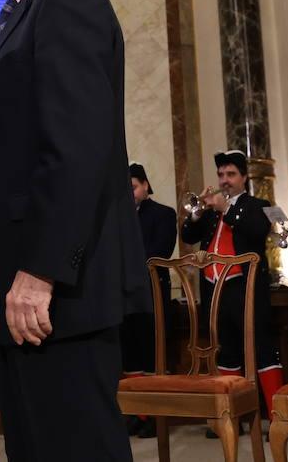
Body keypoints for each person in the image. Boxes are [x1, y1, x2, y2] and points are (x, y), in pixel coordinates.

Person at [0, 0, 150, 462]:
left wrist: (39, 273)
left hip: (53, 295)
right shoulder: (21, 13)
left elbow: (76, 149)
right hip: (24, 293)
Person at [179, 150, 284, 424]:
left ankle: (277, 416)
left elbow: (258, 231)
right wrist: (196, 213)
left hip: (245, 290)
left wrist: (227, 210)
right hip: (215, 291)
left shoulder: (257, 204)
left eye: (231, 174)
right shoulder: (211, 210)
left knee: (262, 348)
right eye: (221, 175)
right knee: (225, 351)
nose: (224, 180)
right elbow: (189, 236)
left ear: (244, 177)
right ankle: (231, 417)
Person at [120, 162, 177, 438]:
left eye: (132, 188)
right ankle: (136, 413)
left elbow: (160, 253)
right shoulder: (118, 217)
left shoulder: (164, 214)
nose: (128, 193)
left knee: (152, 353)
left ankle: (154, 415)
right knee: (130, 356)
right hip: (124, 296)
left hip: (152, 293)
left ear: (145, 186)